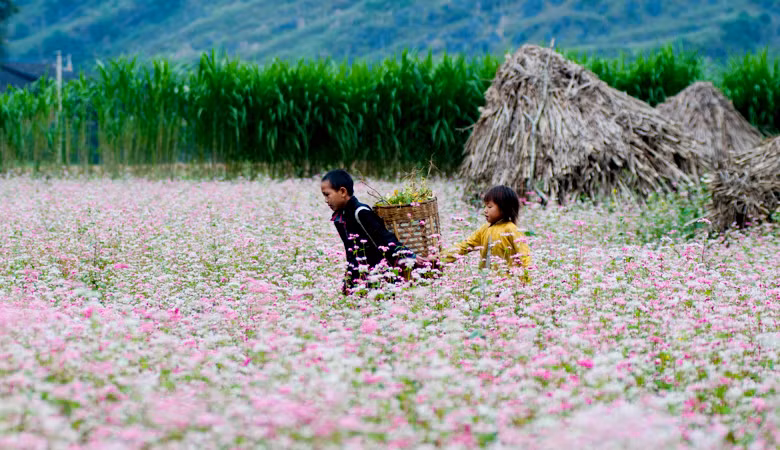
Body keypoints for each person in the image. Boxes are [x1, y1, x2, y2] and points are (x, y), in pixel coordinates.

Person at [321, 169, 425, 294]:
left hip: (378, 276)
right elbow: (351, 252)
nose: (326, 200)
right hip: (359, 276)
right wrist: (348, 279)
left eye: (327, 195)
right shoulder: (340, 217)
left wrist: (409, 256)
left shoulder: (360, 212)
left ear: (343, 191)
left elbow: (385, 239)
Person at [437, 185, 531, 281]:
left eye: (489, 206)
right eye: (485, 206)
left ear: (504, 208)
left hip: (508, 284)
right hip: (485, 283)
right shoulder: (485, 228)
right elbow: (465, 246)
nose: (485, 210)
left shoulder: (511, 229)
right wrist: (438, 259)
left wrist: (528, 284)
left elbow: (525, 257)